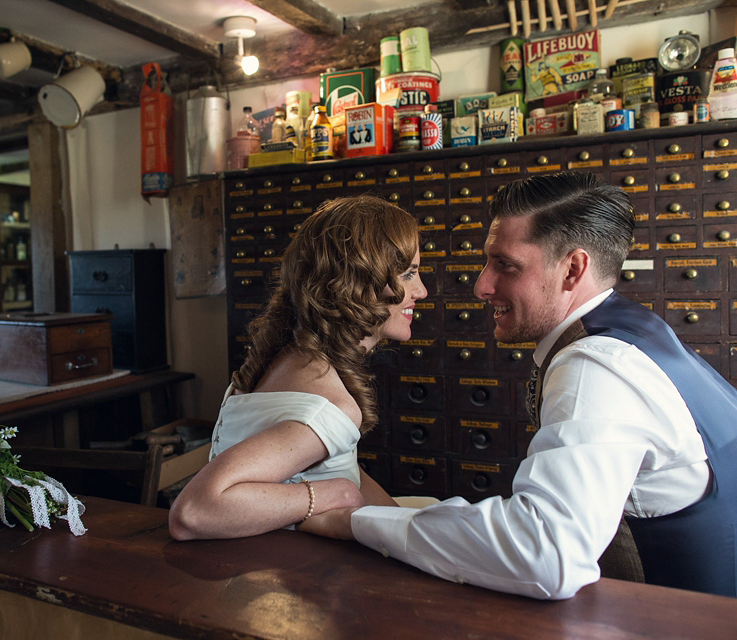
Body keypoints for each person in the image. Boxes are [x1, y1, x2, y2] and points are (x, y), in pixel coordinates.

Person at [306, 171, 737, 600]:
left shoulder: (596, 368)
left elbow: (547, 553)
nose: (481, 286)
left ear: (573, 268)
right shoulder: (636, 330)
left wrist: (353, 523)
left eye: (505, 265)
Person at [169, 195, 427, 540]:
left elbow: (344, 469)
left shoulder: (285, 357)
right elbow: (192, 512)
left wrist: (401, 530)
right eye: (408, 274)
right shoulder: (330, 408)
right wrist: (332, 494)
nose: (421, 291)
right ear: (358, 282)